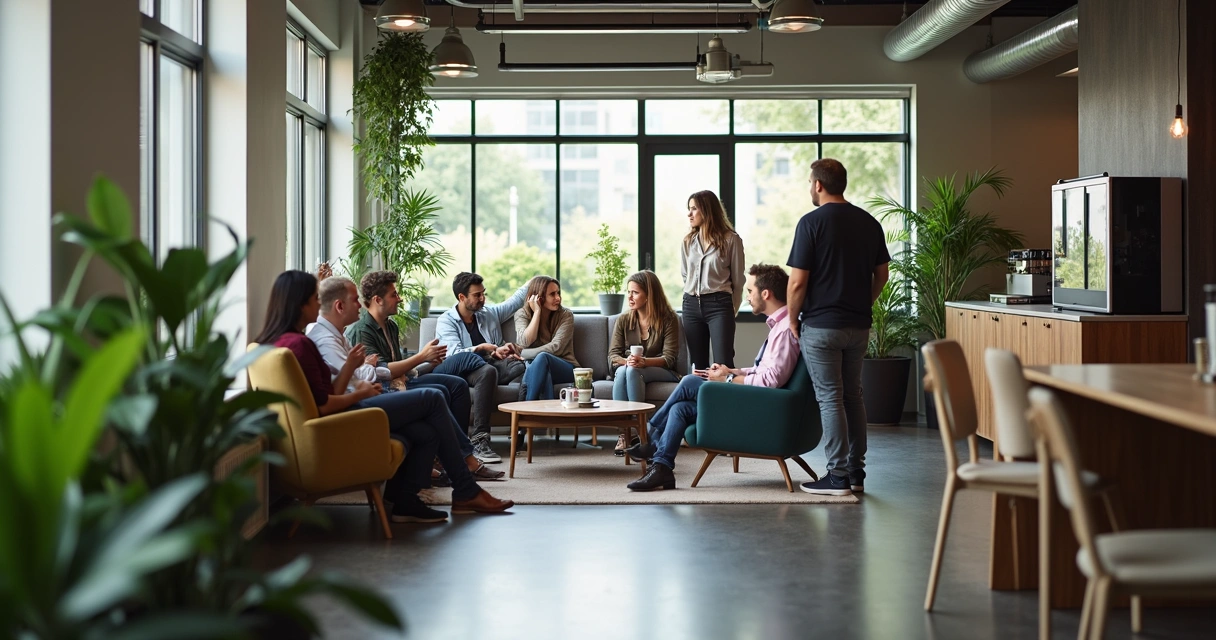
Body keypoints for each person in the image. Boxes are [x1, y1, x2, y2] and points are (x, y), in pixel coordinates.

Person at [253, 270, 513, 523]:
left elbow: (330, 390)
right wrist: (361, 390)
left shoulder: (285, 342)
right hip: (344, 417)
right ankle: (466, 489)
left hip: (342, 412)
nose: (318, 304)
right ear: (300, 305)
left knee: (425, 430)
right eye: (314, 299)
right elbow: (325, 404)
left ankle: (405, 502)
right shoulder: (303, 344)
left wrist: (353, 372)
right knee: (432, 398)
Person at [309, 274, 504, 481]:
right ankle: (464, 460)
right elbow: (373, 373)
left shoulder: (387, 326)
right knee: (448, 383)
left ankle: (457, 455)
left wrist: (421, 363)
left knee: (456, 385)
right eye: (395, 294)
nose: (400, 298)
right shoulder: (355, 331)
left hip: (398, 381)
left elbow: (380, 368)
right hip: (383, 388)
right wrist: (419, 358)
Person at [624, 264, 799, 491]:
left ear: (765, 294)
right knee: (680, 409)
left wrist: (725, 381)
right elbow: (764, 371)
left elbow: (771, 381)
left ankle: (649, 435)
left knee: (689, 382)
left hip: (760, 405)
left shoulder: (784, 330)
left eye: (749, 291)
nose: (747, 297)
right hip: (756, 398)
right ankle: (662, 469)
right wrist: (731, 372)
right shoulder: (779, 326)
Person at [786, 158, 890, 496]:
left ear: (818, 184)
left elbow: (798, 283)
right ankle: (856, 473)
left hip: (822, 326)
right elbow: (882, 275)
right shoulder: (869, 223)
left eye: (809, 183)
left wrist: (791, 318)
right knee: (853, 396)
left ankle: (837, 476)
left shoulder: (810, 223)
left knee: (830, 398)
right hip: (858, 325)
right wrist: (864, 303)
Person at [434, 272, 528, 462]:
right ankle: (479, 439)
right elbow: (453, 355)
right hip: (460, 370)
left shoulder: (487, 314)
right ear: (462, 297)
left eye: (483, 293)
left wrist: (500, 351)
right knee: (488, 371)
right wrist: (481, 348)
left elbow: (515, 301)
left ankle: (521, 431)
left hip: (487, 364)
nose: (483, 299)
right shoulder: (446, 321)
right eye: (477, 295)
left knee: (520, 366)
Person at [608, 270, 680, 455]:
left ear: (649, 296)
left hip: (662, 370)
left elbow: (669, 359)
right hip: (629, 368)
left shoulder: (669, 319)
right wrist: (628, 361)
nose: (629, 297)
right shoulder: (624, 319)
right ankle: (626, 434)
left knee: (632, 371)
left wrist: (644, 362)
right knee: (626, 371)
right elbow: (613, 356)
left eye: (635, 292)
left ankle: (642, 435)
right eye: (628, 292)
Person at [681, 190, 746, 370]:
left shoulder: (732, 240)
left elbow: (738, 281)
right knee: (697, 365)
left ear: (707, 210)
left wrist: (732, 309)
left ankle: (723, 399)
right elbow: (685, 275)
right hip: (691, 304)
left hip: (719, 305)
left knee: (723, 363)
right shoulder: (688, 241)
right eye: (689, 209)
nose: (689, 214)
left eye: (694, 209)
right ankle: (700, 399)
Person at [514, 275, 579, 401]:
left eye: (558, 293)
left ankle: (526, 408)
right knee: (545, 373)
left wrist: (524, 353)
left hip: (566, 367)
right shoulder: (522, 314)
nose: (558, 298)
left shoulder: (566, 315)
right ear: (539, 297)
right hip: (538, 368)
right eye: (552, 294)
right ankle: (546, 418)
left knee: (543, 358)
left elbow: (557, 347)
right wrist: (537, 313)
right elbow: (524, 341)